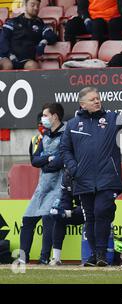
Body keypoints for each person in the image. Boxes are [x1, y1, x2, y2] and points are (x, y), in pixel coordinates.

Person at [61, 87, 122, 267]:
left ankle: (101, 254)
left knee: (101, 212)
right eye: (92, 99)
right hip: (83, 179)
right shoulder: (72, 125)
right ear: (82, 104)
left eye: (98, 98)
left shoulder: (111, 118)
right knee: (90, 217)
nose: (97, 101)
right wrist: (74, 169)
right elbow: (65, 150)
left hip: (108, 178)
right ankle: (94, 256)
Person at [19, 103, 65, 264]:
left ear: (55, 116)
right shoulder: (39, 137)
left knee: (48, 218)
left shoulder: (66, 135)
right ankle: (23, 258)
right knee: (27, 219)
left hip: (59, 185)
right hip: (42, 186)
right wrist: (48, 158)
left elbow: (60, 161)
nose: (43, 119)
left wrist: (46, 161)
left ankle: (44, 258)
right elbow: (35, 161)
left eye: (45, 115)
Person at [0, 0, 58, 70]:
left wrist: (44, 41)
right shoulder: (13, 22)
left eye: (38, 6)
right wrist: (9, 54)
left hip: (27, 59)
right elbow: (3, 40)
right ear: (25, 5)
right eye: (33, 5)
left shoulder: (40, 24)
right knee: (7, 65)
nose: (36, 8)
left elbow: (52, 36)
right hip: (8, 56)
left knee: (33, 66)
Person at [49, 170, 84, 266]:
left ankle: (92, 256)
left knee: (91, 217)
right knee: (59, 219)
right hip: (78, 211)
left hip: (91, 210)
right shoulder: (66, 176)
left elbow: (91, 204)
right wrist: (62, 210)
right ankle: (56, 258)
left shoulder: (86, 173)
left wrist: (71, 212)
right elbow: (66, 199)